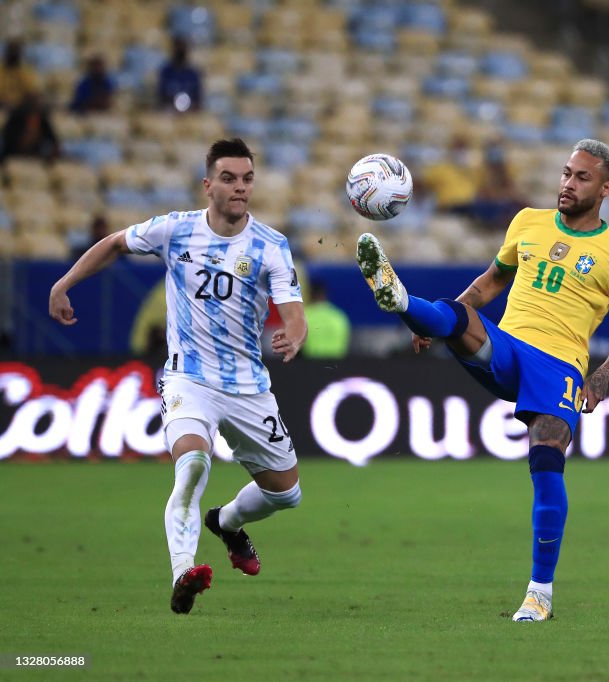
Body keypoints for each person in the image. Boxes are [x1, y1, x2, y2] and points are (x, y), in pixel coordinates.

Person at [356, 138, 609, 622]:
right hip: (507, 347)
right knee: (452, 312)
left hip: (560, 368)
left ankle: (539, 594)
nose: (568, 184)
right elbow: (490, 283)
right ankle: (405, 304)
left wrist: (604, 375)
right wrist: (434, 323)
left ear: (606, 188)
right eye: (566, 173)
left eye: (582, 178)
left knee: (547, 459)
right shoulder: (526, 221)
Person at [48, 138, 307, 615]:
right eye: (229, 178)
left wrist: (294, 334)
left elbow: (293, 311)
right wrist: (64, 283)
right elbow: (112, 244)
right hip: (188, 378)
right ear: (208, 185)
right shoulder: (175, 230)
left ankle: (226, 523)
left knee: (286, 492)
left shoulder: (271, 244)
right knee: (192, 464)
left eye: (247, 178)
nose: (240, 187)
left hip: (249, 385)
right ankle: (184, 572)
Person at [0, 92, 60, 161]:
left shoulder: (42, 118)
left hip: (35, 157)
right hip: (13, 156)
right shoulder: (16, 117)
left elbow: (54, 140)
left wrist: (53, 152)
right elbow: (8, 141)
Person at [302, 280, 351, 359]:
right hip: (337, 365)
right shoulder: (339, 316)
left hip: (311, 365)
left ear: (310, 294)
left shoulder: (303, 315)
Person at [158, 37, 203, 112]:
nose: (180, 52)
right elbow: (161, 98)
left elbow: (198, 100)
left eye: (182, 49)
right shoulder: (166, 72)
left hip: (190, 113)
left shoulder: (193, 74)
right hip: (170, 112)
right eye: (178, 49)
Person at [0, 40, 40, 111]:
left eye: (16, 51)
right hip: (2, 105)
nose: (13, 54)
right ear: (6, 53)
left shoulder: (26, 70)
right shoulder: (2, 69)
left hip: (21, 107)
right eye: (11, 51)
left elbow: (32, 91)